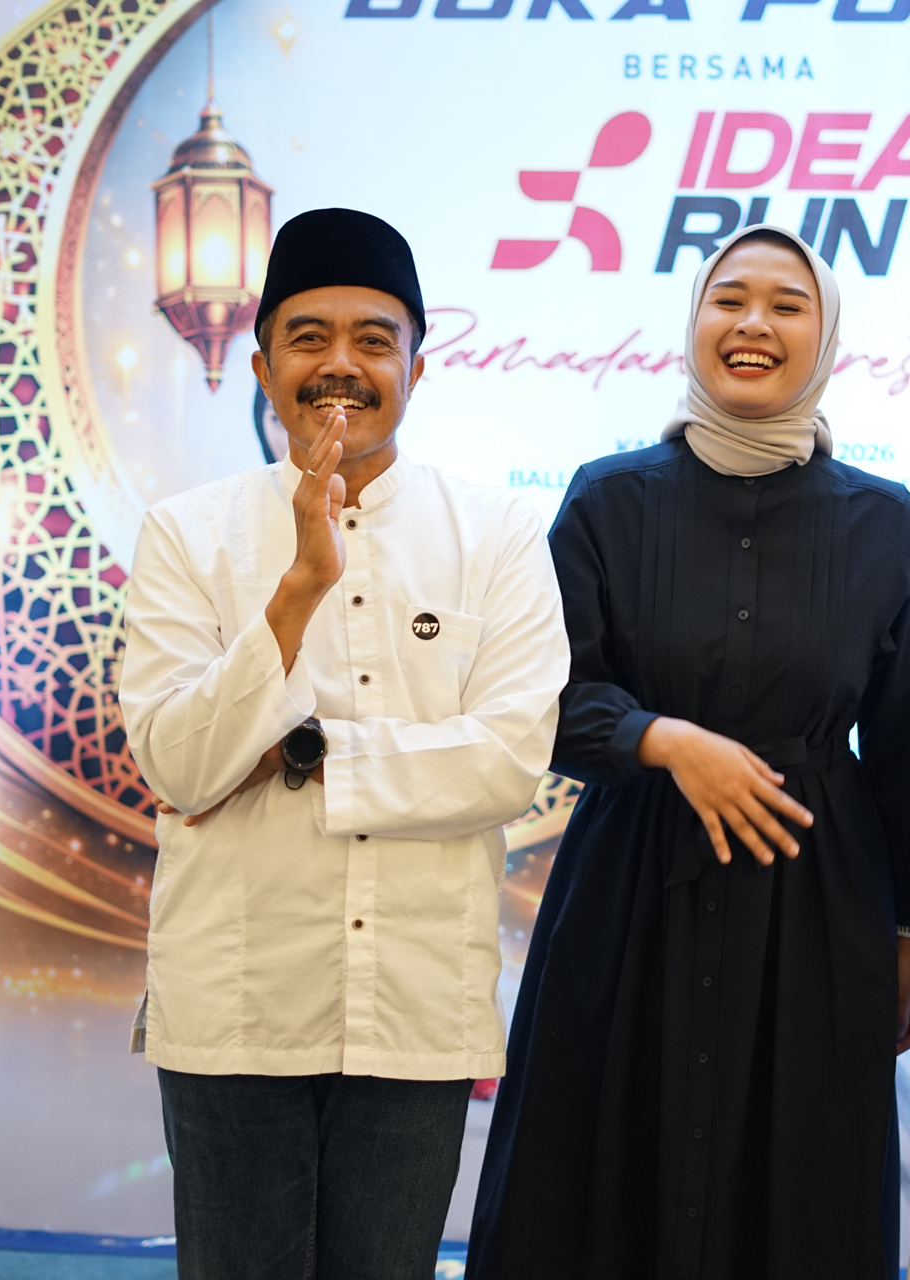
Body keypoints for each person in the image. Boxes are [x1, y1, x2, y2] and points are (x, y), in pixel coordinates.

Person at [469, 225, 910, 1280]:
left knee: (795, 1178)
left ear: (825, 335)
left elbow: (909, 743)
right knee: (595, 1169)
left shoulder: (884, 521)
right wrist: (661, 737)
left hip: (815, 895)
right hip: (629, 884)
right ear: (693, 322)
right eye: (728, 299)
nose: (753, 323)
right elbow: (542, 693)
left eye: (787, 304)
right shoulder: (608, 497)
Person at [119, 208, 570, 1279]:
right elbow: (177, 763)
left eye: (374, 339)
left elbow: (509, 758)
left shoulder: (497, 532)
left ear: (418, 365)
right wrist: (299, 590)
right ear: (263, 365)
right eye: (308, 337)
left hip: (414, 999)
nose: (341, 366)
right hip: (236, 997)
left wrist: (305, 754)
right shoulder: (187, 532)